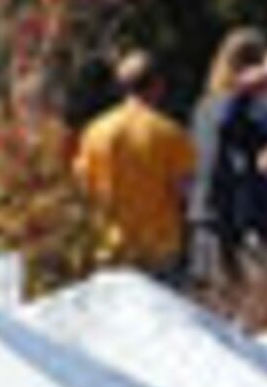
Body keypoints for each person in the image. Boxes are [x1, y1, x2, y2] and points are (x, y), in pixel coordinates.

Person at [72, 53, 197, 279]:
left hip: (110, 245)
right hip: (159, 247)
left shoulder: (95, 131)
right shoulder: (170, 133)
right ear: (158, 86)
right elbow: (183, 189)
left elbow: (83, 187)